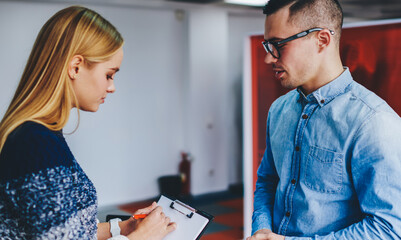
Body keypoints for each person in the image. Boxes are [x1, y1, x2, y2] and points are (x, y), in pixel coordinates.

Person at [0, 6, 176, 240]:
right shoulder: (34, 143)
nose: (112, 87)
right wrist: (142, 237)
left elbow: (67, 233)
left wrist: (123, 228)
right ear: (75, 67)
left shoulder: (42, 135)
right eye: (109, 75)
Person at [247, 0, 401, 239]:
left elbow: (387, 229)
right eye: (268, 46)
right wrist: (262, 228)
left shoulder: (374, 122)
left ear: (322, 40)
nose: (269, 58)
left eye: (279, 45)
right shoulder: (278, 110)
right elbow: (268, 181)